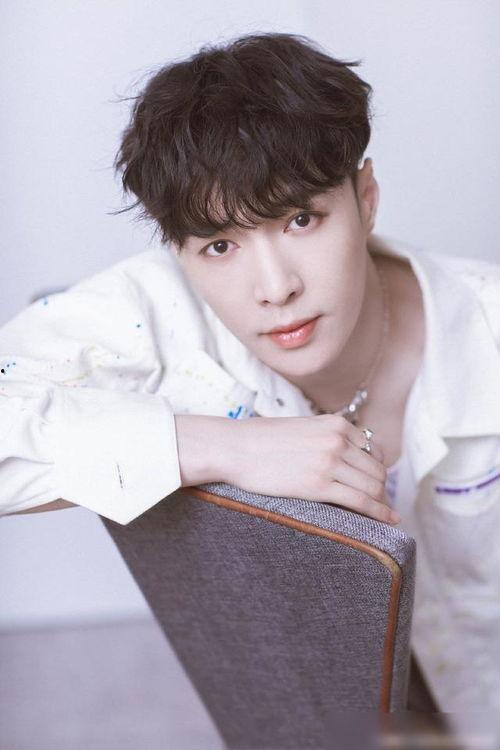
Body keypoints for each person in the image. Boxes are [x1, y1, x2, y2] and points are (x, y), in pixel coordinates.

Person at [1, 31, 499, 719]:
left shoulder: (488, 328)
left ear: (366, 197)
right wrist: (221, 446)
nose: (274, 287)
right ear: (177, 250)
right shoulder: (157, 308)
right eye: (219, 245)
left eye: (302, 219)